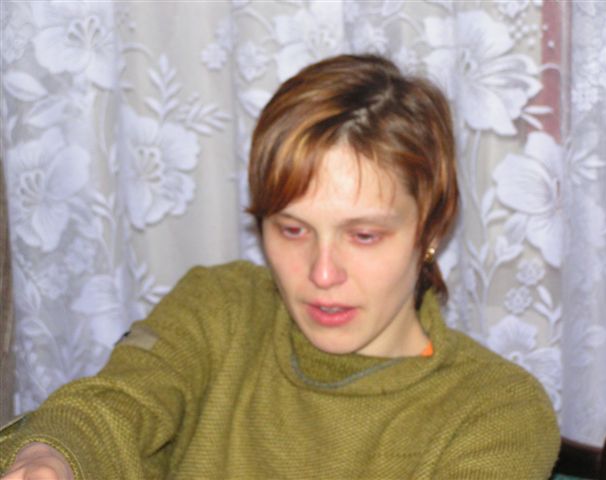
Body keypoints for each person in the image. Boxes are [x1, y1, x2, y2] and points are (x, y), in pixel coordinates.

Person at [0, 54, 560, 479]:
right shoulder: (220, 307)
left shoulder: (496, 412)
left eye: (363, 235)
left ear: (431, 228)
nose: (322, 274)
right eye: (292, 230)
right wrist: (52, 456)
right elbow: (119, 403)